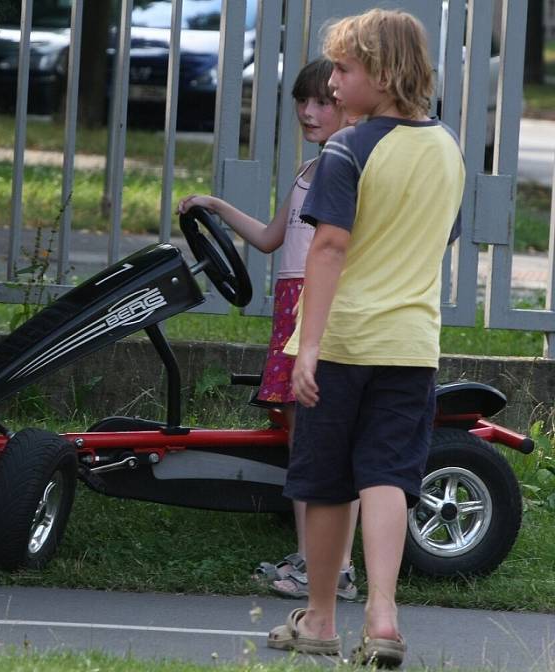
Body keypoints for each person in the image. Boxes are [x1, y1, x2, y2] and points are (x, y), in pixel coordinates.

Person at [265, 9, 466, 668]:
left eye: (344, 70)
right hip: (411, 345)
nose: (333, 84)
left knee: (326, 483)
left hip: (344, 341)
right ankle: (382, 615)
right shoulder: (447, 147)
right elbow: (442, 238)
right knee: (386, 476)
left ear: (381, 73)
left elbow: (328, 245)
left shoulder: (346, 149)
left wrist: (311, 346)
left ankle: (321, 618)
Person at [176, 58, 360, 602]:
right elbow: (270, 237)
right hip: (292, 309)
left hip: (319, 307)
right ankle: (311, 560)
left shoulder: (347, 165)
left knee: (324, 444)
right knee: (305, 443)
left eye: (323, 101)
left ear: (349, 102)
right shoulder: (311, 169)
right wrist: (214, 205)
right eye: (303, 101)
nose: (309, 111)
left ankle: (335, 568)